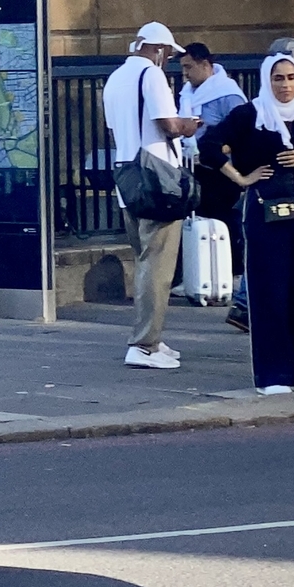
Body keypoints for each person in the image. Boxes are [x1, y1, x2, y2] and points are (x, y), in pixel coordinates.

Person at [205, 53, 294, 393]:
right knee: (269, 292)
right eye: (278, 78)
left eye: (290, 78)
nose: (285, 85)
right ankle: (271, 374)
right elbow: (209, 145)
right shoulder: (249, 115)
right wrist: (241, 178)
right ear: (266, 80)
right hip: (265, 210)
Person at [102, 23, 198, 369]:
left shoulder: (115, 78)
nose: (169, 59)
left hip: (127, 177)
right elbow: (168, 126)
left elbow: (116, 129)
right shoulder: (152, 76)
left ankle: (152, 338)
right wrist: (189, 125)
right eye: (169, 53)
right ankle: (144, 345)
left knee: (144, 259)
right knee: (157, 266)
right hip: (157, 178)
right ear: (158, 50)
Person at [177, 43, 249, 322]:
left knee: (224, 218)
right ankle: (201, 273)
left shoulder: (227, 94)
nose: (185, 74)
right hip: (196, 165)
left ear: (205, 64)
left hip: (221, 167)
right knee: (199, 217)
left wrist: (225, 149)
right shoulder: (188, 93)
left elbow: (243, 127)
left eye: (189, 67)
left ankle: (230, 274)